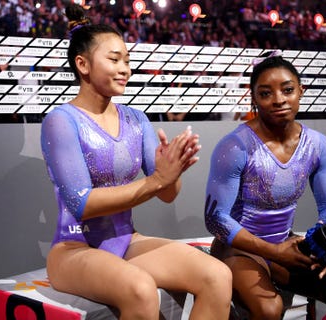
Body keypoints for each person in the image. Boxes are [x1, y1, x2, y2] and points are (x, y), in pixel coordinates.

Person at [40, 4, 232, 319]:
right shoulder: (61, 121)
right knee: (141, 288)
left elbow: (168, 194)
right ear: (82, 64)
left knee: (218, 275)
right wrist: (156, 180)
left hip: (126, 240)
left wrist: (171, 171)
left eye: (127, 60)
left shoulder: (136, 119)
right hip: (74, 249)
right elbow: (82, 204)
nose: (125, 68)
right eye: (114, 60)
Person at [204, 52, 326, 320]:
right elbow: (215, 220)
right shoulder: (235, 146)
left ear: (300, 91)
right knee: (269, 310)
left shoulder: (317, 145)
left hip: (285, 243)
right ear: (254, 98)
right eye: (266, 93)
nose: (279, 100)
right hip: (239, 250)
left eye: (287, 90)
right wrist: (275, 252)